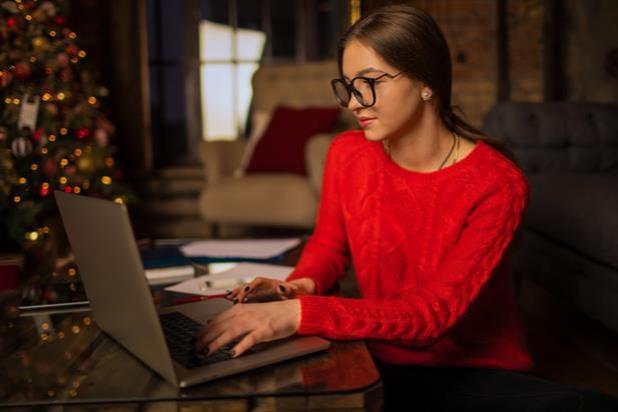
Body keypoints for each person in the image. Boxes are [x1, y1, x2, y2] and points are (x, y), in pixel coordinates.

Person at [195, 5, 618, 411]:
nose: (354, 102)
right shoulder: (347, 153)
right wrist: (299, 286)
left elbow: (429, 316)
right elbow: (329, 245)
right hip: (371, 351)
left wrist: (295, 314)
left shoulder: (497, 184)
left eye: (370, 82)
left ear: (425, 81)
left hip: (467, 371)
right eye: (347, 85)